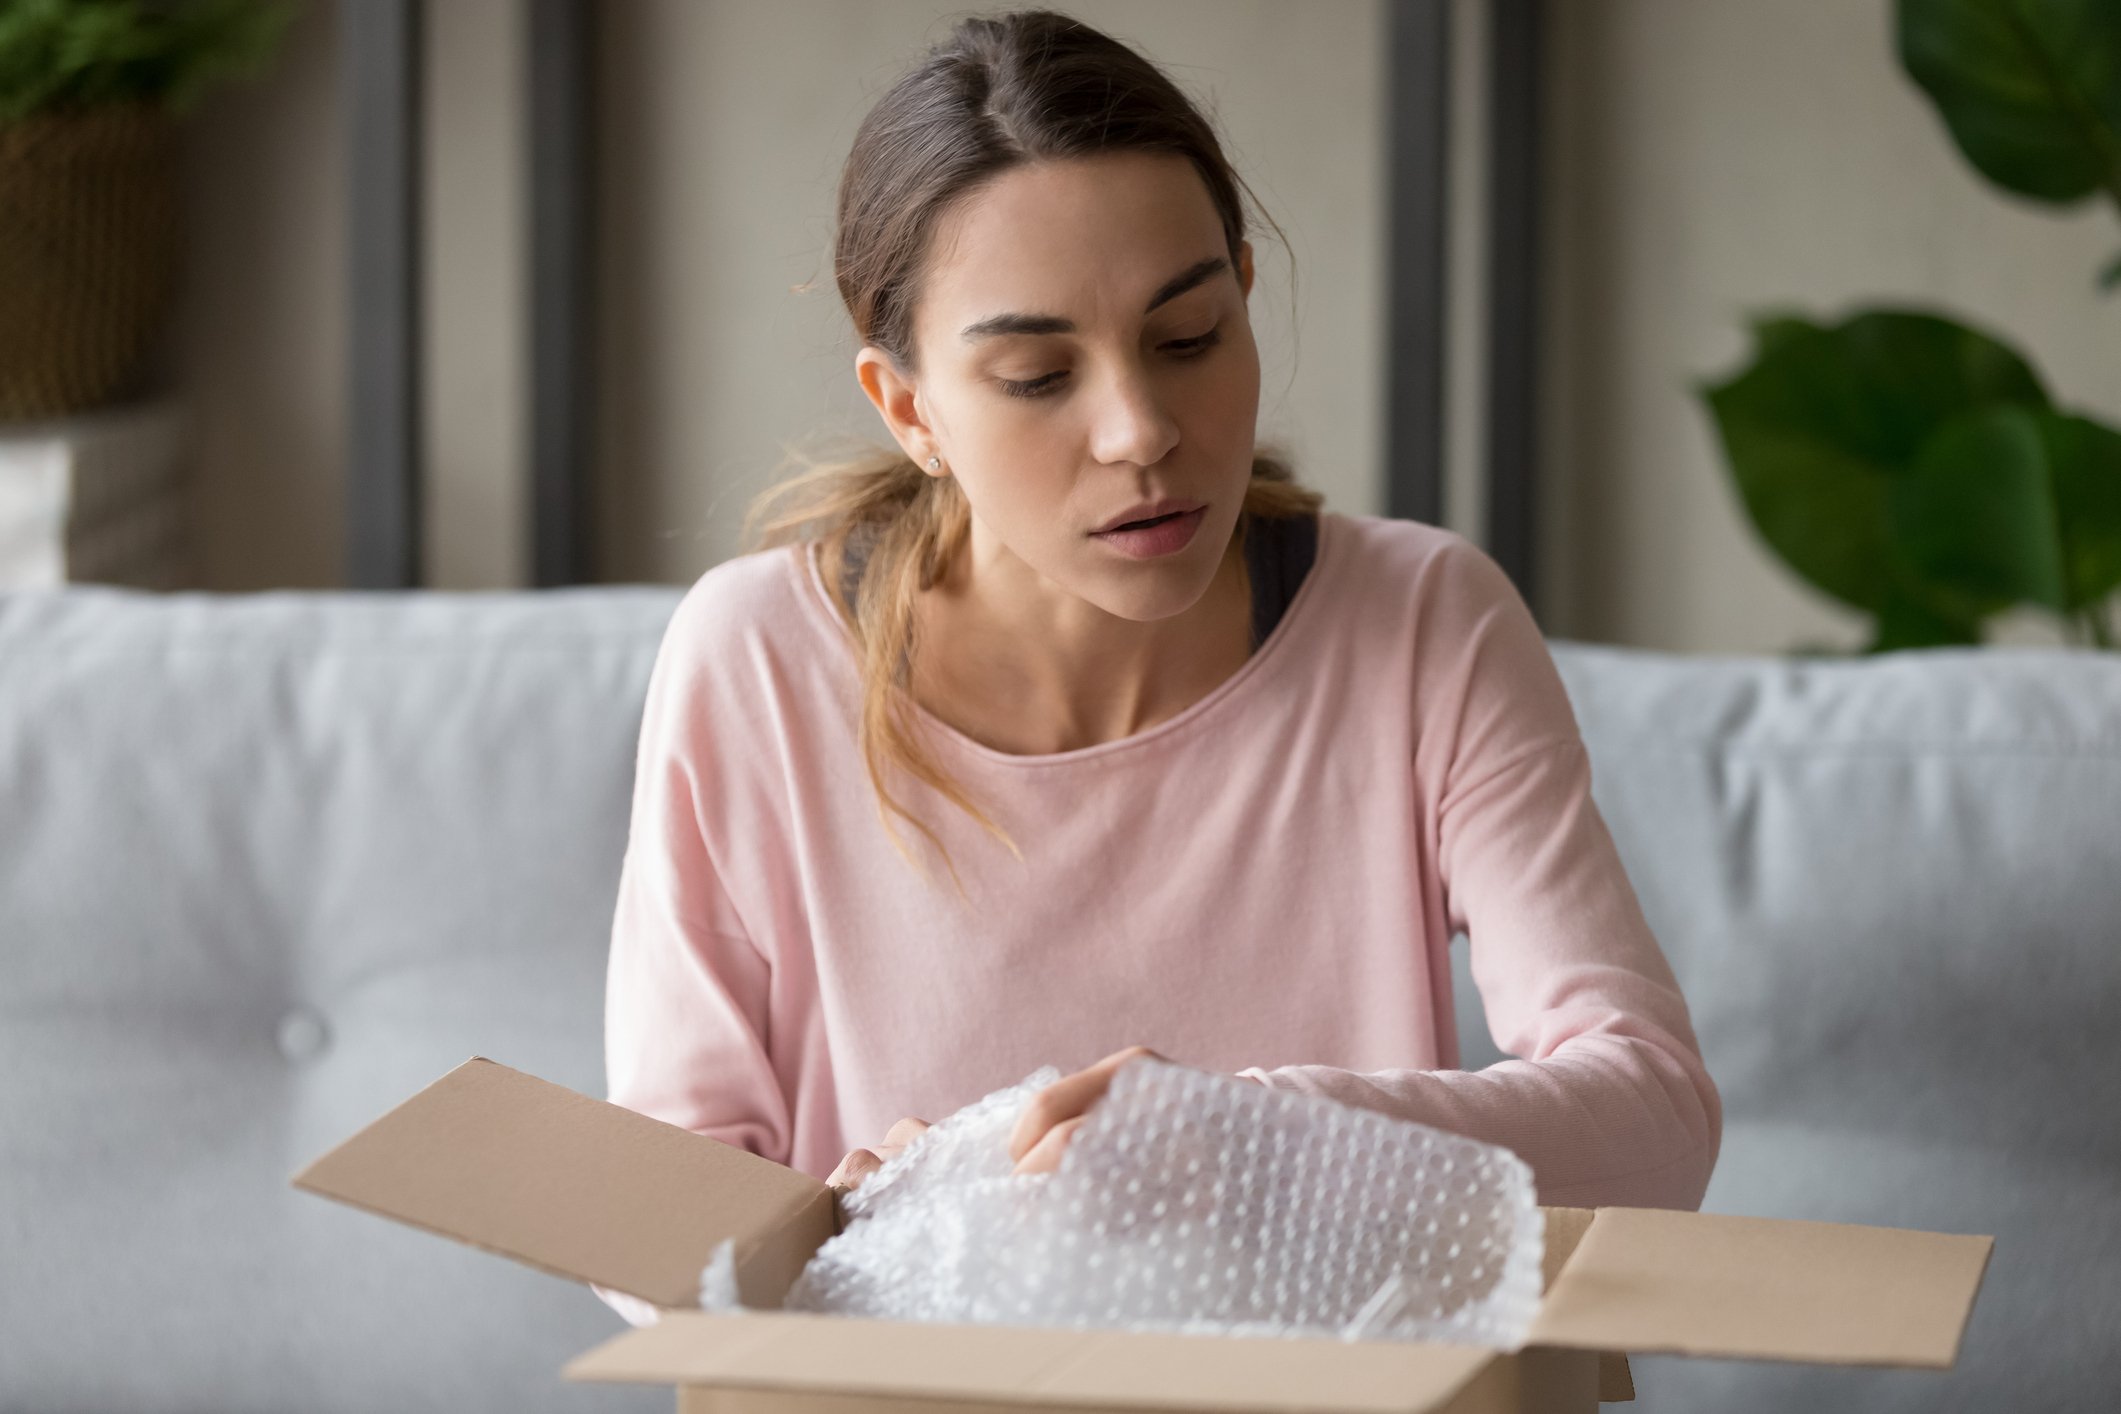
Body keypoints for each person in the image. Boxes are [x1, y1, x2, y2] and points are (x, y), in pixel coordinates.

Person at [595, 8, 1719, 1328]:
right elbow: (650, 1233)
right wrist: (824, 1228)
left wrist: (1245, 1141)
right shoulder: (756, 662)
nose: (1140, 430)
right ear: (908, 410)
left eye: (1188, 338)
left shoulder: (1423, 625)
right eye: (1034, 374)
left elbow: (1653, 1118)